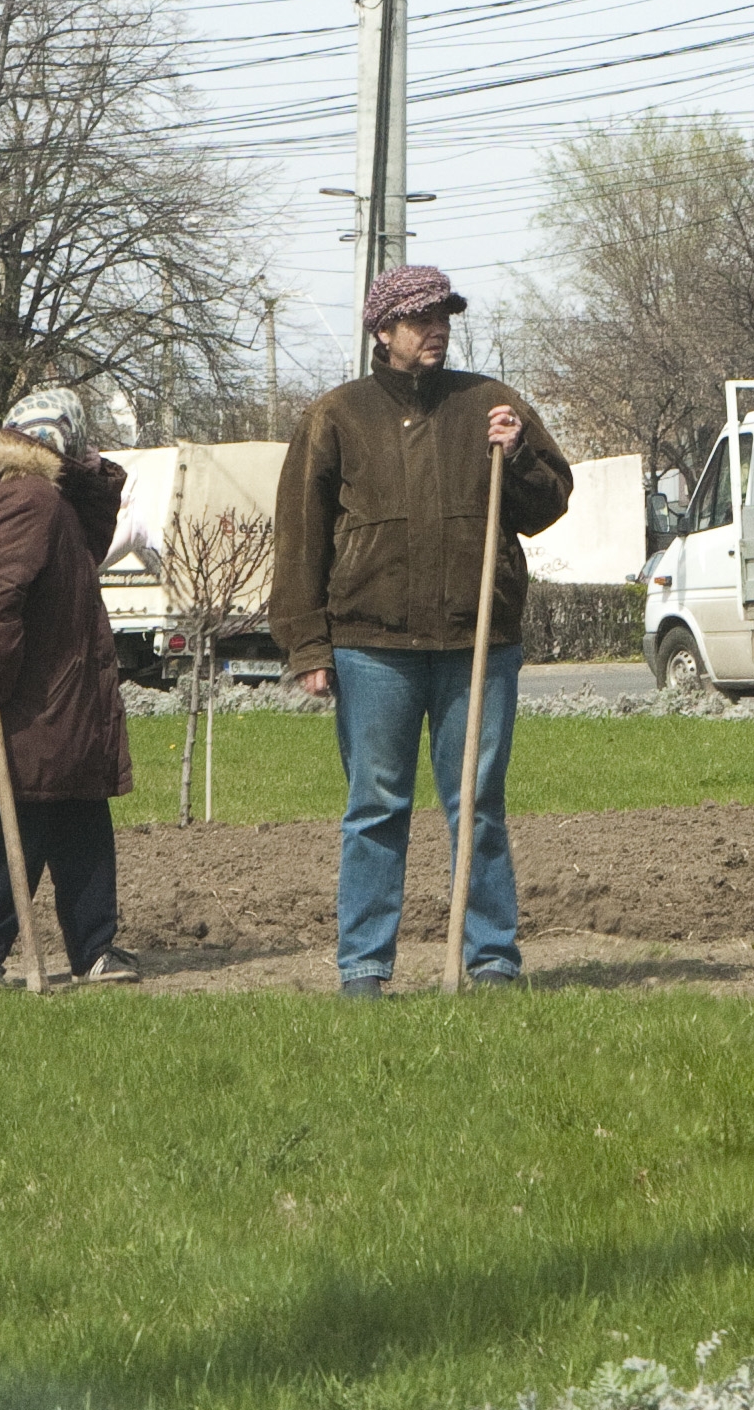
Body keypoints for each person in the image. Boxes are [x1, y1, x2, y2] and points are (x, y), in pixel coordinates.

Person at [274, 266, 573, 999]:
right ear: (383, 331)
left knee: (478, 804)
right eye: (420, 319)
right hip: (372, 646)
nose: (436, 330)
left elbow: (548, 506)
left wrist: (519, 453)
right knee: (375, 808)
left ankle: (492, 960)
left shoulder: (492, 404)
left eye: (443, 318)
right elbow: (299, 539)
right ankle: (364, 969)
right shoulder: (336, 416)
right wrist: (308, 646)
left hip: (478, 642)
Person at [0, 388, 140, 988]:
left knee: (80, 816)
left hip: (55, 702)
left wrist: (92, 483)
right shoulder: (28, 498)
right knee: (26, 819)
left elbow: (85, 547)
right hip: (34, 703)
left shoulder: (39, 495)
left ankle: (94, 949)